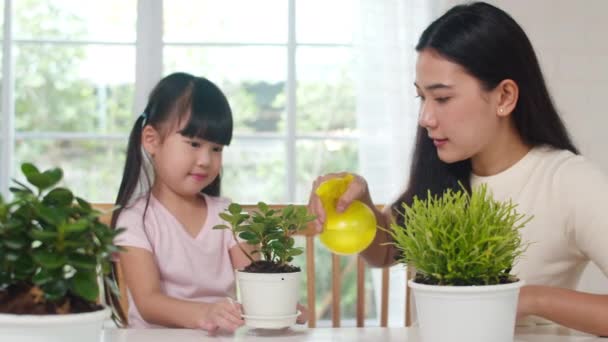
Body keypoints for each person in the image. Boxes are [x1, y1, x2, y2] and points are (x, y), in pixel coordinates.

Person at [308, 2, 608, 337]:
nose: (425, 118)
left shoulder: (568, 181)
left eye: (443, 98)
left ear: (504, 97)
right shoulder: (443, 174)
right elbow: (386, 251)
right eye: (421, 98)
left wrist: (527, 299)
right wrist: (362, 204)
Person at [108, 72, 305, 331]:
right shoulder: (135, 220)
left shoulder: (227, 215)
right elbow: (149, 303)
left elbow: (253, 279)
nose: (206, 160)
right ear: (151, 140)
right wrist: (206, 313)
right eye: (194, 143)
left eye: (217, 149)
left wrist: (277, 306)